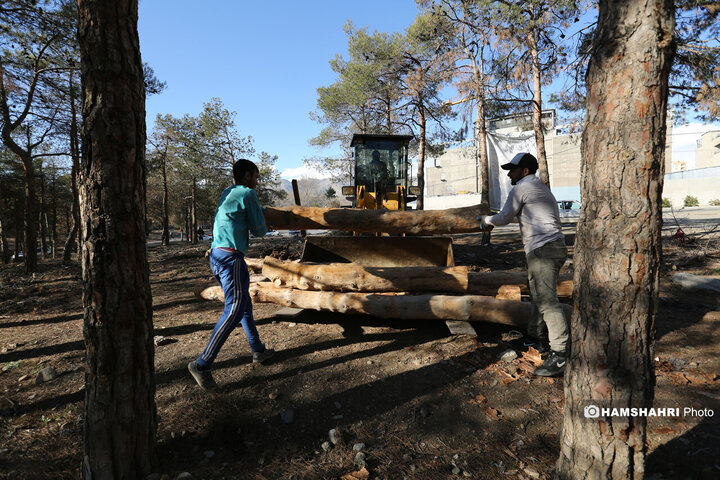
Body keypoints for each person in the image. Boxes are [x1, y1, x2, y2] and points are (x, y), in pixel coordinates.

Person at [188, 159, 275, 391]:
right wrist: (267, 219)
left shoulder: (229, 191)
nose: (257, 181)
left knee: (244, 304)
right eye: (256, 177)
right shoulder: (248, 193)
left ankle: (258, 350)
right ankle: (202, 364)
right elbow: (259, 231)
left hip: (216, 255)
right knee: (235, 309)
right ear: (247, 176)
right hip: (231, 258)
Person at [479, 152, 568, 377]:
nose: (509, 173)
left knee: (547, 301)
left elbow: (504, 217)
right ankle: (534, 337)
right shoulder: (540, 188)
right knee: (539, 296)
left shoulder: (522, 188)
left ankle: (560, 354)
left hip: (543, 249)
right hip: (549, 247)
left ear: (524, 171)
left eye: (513, 169)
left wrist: (485, 221)